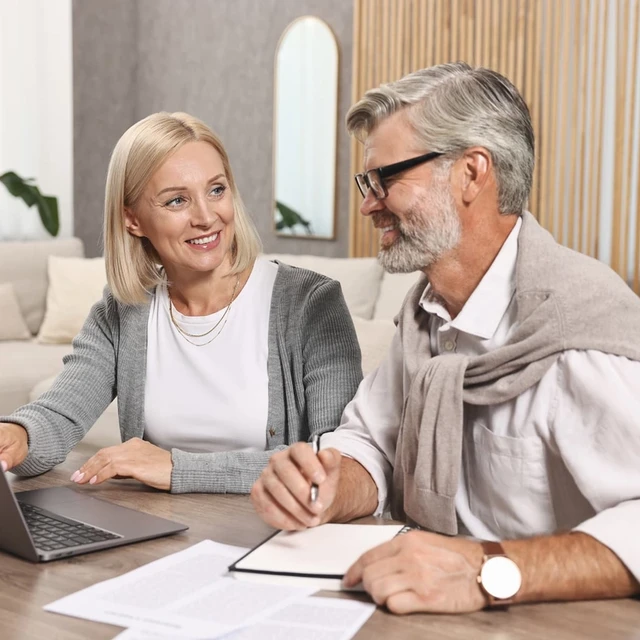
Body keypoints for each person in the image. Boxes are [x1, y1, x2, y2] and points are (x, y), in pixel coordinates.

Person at [251, 62, 640, 613]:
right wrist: (325, 486)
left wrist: (485, 572)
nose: (367, 203)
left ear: (472, 174)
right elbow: (371, 443)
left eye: (385, 178)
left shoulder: (581, 332)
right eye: (368, 182)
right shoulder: (424, 315)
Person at [0, 112, 362, 493]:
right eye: (177, 201)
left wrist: (177, 468)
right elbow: (59, 415)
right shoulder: (125, 311)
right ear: (133, 220)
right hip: (161, 532)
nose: (207, 217)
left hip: (274, 538)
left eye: (217, 190)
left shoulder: (312, 304)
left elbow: (336, 463)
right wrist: (18, 434)